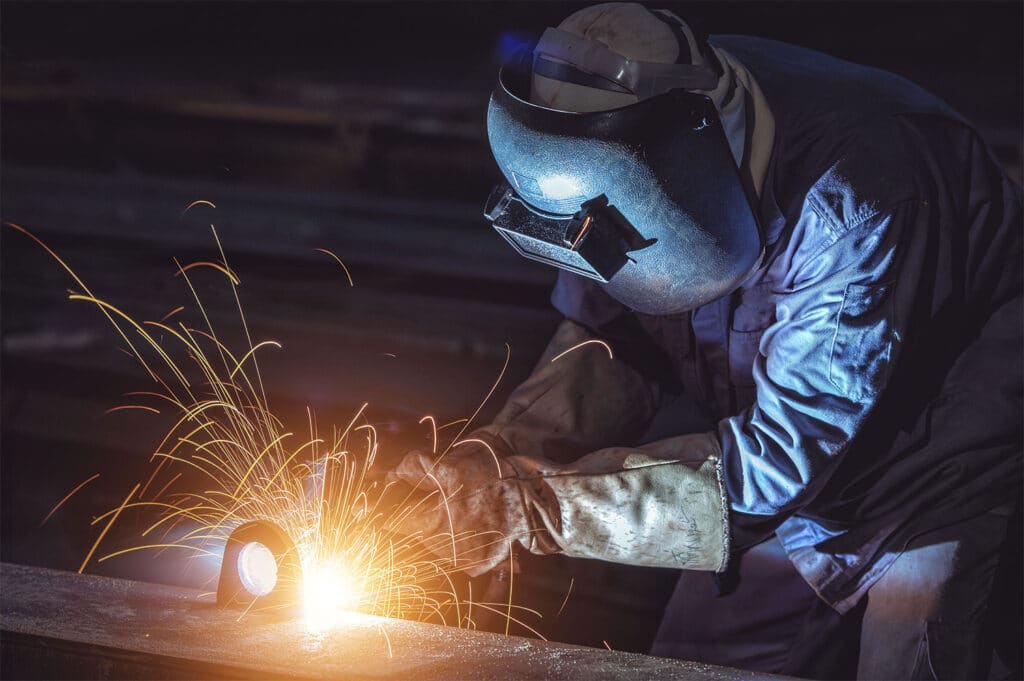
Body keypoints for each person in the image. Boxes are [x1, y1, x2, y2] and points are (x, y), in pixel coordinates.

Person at [387, 4, 1022, 678]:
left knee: (910, 657)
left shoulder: (856, 203)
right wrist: (498, 454)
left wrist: (531, 507)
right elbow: (612, 341)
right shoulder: (626, 155)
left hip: (934, 481)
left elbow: (775, 463)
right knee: (690, 668)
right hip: (786, 490)